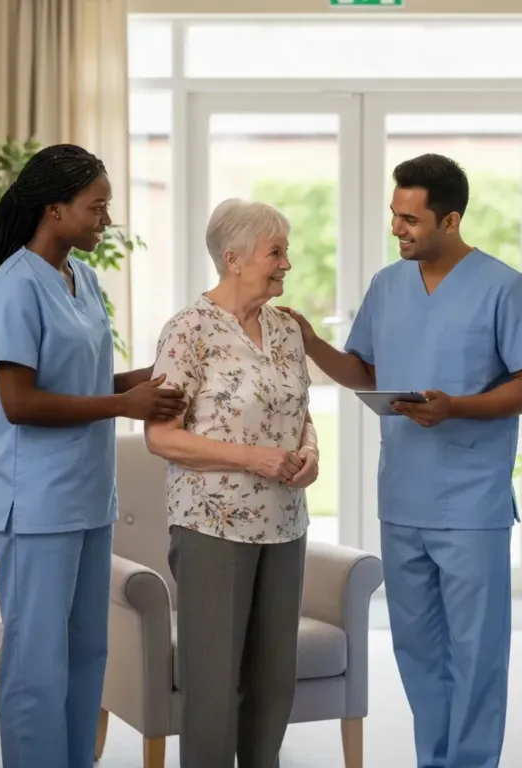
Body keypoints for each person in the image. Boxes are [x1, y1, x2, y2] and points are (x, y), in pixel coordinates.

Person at [281, 153, 522, 768]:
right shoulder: (388, 284)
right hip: (403, 498)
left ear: (450, 220)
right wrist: (313, 342)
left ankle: (472, 761)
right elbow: (366, 371)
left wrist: (456, 407)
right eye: (394, 216)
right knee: (418, 649)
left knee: (476, 651)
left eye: (410, 219)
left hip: (470, 502)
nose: (398, 229)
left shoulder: (504, 287)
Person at [0, 144, 186, 768]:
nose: (105, 220)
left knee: (86, 655)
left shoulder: (84, 277)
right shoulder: (14, 286)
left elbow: (91, 379)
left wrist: (156, 377)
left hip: (91, 496)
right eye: (96, 208)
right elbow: (20, 401)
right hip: (37, 503)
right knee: (37, 665)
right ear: (54, 208)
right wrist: (124, 408)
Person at [144, 198, 319, 768]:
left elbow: (301, 413)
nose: (286, 264)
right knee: (214, 685)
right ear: (233, 257)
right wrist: (254, 458)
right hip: (211, 526)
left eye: (285, 251)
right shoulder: (187, 331)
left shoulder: (288, 330)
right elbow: (162, 438)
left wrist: (310, 455)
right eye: (276, 252)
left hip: (285, 524)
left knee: (274, 682)